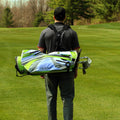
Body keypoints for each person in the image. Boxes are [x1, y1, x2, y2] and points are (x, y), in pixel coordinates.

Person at [38, 7, 80, 120]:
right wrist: (75, 69)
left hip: (50, 70)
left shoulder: (45, 32)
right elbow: (76, 53)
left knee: (51, 98)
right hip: (67, 70)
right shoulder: (72, 32)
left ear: (54, 17)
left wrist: (41, 70)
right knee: (67, 98)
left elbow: (40, 52)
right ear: (65, 17)